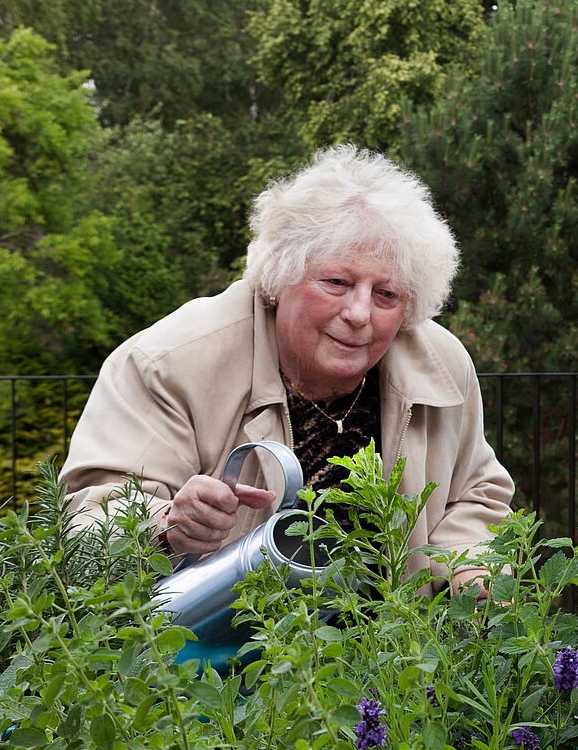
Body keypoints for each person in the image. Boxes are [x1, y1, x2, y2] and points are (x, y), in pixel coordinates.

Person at [62, 146, 513, 586]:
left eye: (386, 294)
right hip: (213, 650)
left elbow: (475, 492)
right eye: (337, 282)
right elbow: (91, 516)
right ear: (280, 277)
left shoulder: (441, 362)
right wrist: (166, 524)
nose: (360, 313)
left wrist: (470, 572)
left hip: (395, 652)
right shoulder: (167, 360)